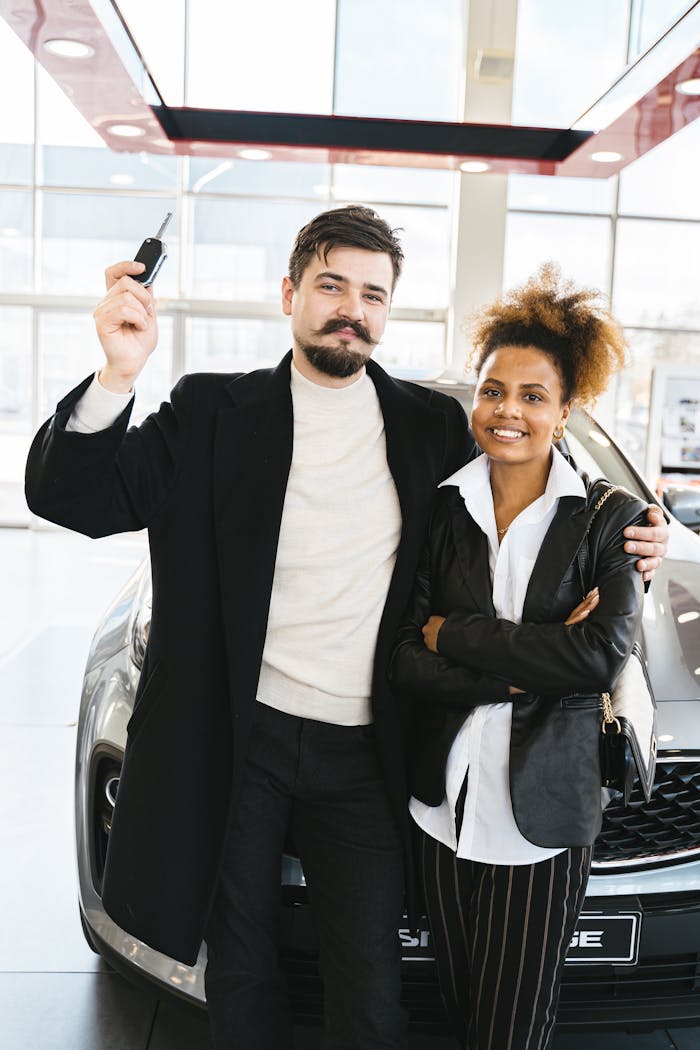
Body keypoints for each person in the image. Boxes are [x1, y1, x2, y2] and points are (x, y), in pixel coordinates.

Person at [25, 209, 666, 1050]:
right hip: (239, 739)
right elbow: (71, 498)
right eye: (331, 285)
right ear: (290, 293)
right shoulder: (211, 409)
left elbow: (528, 465)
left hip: (366, 749)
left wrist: (627, 529)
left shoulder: (429, 429)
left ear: (387, 312)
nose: (350, 309)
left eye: (373, 294)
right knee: (243, 968)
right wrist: (116, 374)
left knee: (368, 983)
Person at [390, 264, 653, 1050]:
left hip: (540, 818)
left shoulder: (612, 521)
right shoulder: (441, 508)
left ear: (566, 410)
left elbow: (599, 660)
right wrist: (531, 663)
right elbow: (404, 657)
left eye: (533, 396)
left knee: (511, 1031)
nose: (508, 411)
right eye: (494, 391)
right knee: (461, 1013)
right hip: (442, 809)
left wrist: (458, 635)